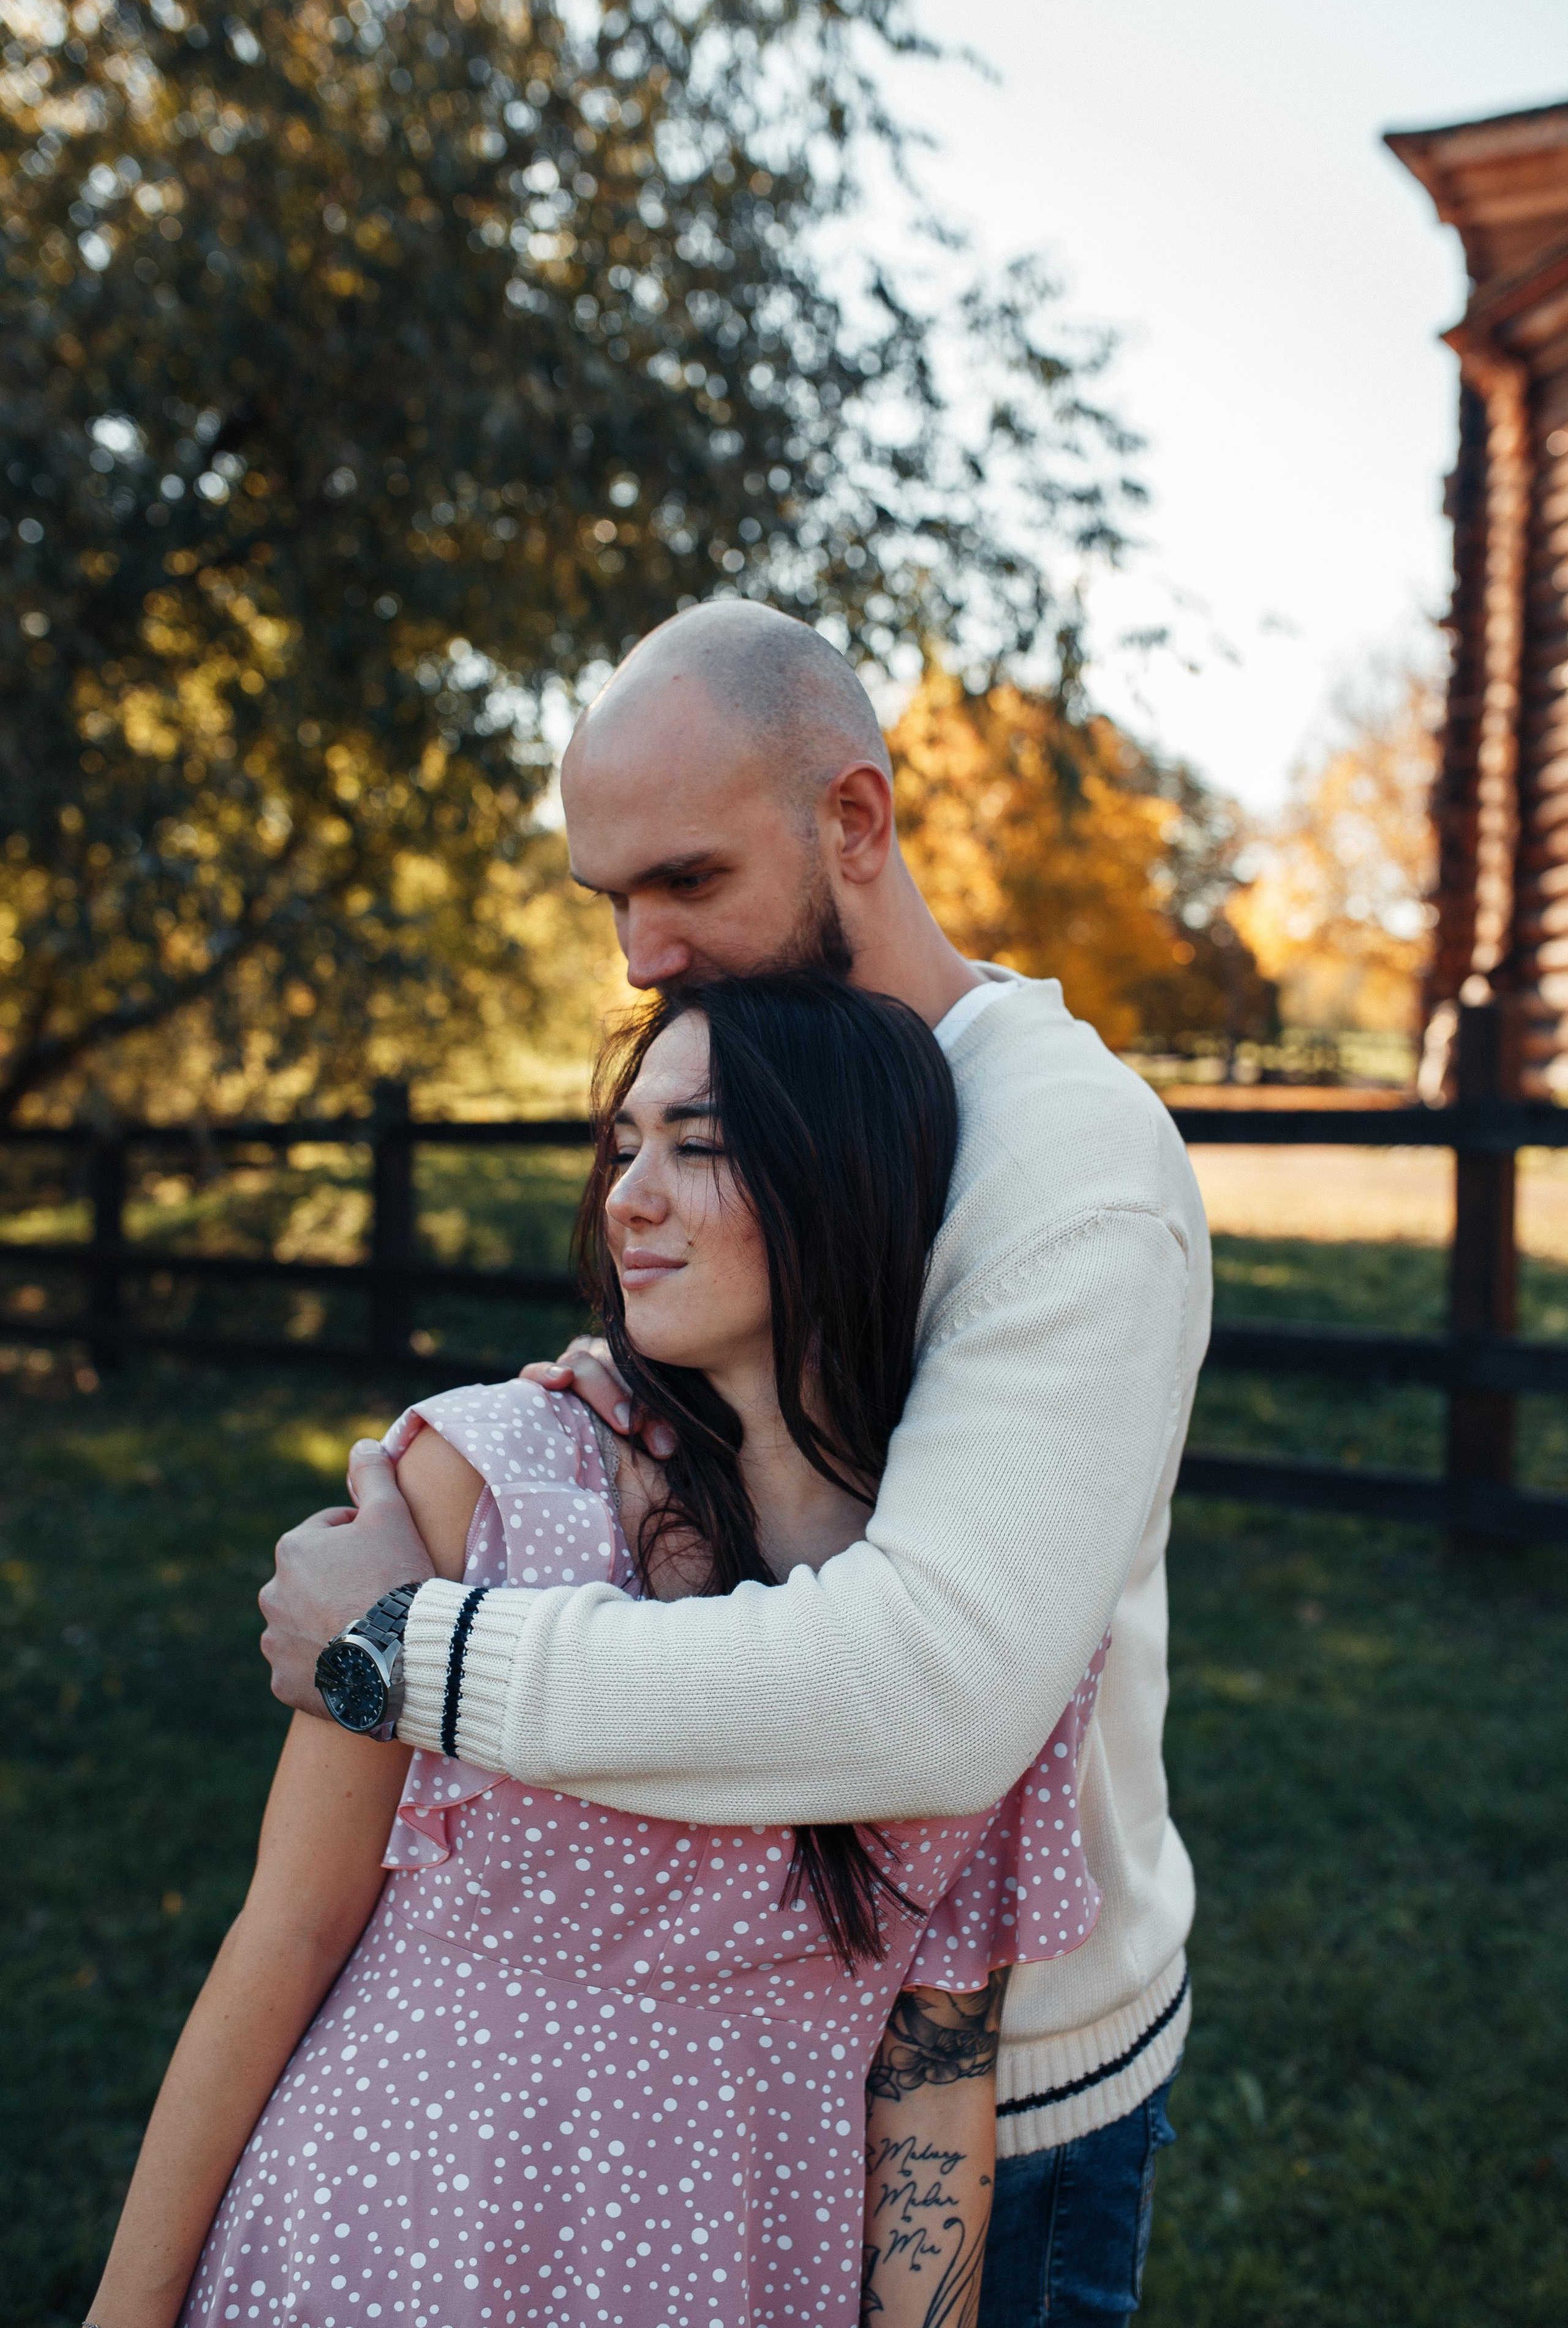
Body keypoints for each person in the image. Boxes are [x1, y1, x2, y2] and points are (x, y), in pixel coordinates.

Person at [260, 599, 1212, 2324]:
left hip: (995, 2099)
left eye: (687, 881)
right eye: (609, 897)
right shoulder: (780, 1115)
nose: (639, 953)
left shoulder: (1067, 1167)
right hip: (707, 2090)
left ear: (854, 822)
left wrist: (414, 1648)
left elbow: (933, 1694)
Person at [87, 974, 1110, 2328]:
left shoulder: (986, 1589)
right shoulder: (493, 1480)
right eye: (623, 1146)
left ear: (848, 1179)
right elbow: (289, 1926)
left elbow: (930, 2067)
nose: (628, 1195)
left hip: (741, 2265)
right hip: (401, 2231)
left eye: (698, 1145)